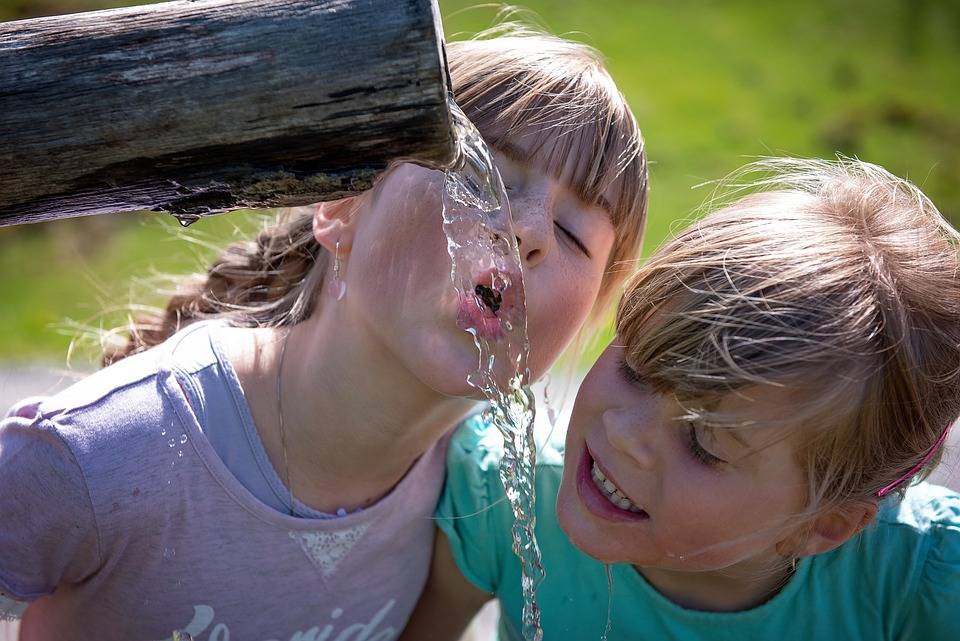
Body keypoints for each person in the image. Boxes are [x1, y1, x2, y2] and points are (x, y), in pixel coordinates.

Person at [0, 29, 648, 641]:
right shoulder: (108, 449)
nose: (527, 230)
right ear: (340, 207)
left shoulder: (481, 498)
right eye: (483, 177)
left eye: (572, 234)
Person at [404, 157, 960, 640]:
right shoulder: (504, 497)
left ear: (821, 526)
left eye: (702, 442)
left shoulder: (919, 584)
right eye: (636, 368)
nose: (624, 431)